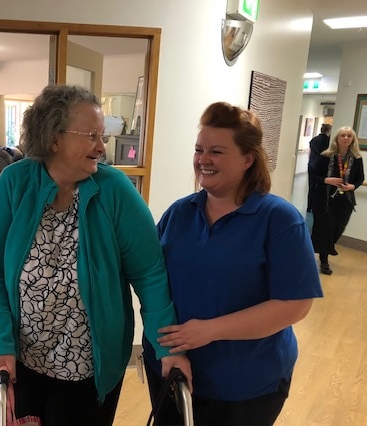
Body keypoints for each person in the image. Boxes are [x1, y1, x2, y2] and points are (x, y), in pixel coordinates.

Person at [0, 84, 191, 426]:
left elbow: (150, 275)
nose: (102, 148)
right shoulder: (15, 185)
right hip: (23, 363)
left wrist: (168, 348)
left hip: (90, 369)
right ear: (55, 137)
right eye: (91, 135)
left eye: (101, 136)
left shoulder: (115, 192)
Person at [142, 102, 323, 426]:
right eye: (199, 149)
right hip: (172, 370)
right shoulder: (179, 213)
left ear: (248, 159)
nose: (203, 160)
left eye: (217, 151)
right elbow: (151, 277)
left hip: (244, 388)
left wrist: (209, 331)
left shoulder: (279, 220)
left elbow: (295, 305)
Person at [309, 126, 364, 275]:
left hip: (345, 200)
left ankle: (325, 249)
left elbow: (360, 178)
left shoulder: (357, 159)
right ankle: (324, 260)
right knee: (325, 228)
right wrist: (327, 180)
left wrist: (353, 186)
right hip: (325, 199)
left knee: (338, 228)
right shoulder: (326, 156)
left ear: (352, 139)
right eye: (343, 135)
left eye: (349, 136)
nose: (346, 138)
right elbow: (314, 174)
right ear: (337, 138)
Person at [307, 123, 332, 212]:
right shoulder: (328, 141)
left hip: (311, 165)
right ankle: (315, 207)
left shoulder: (314, 140)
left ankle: (309, 206)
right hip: (321, 166)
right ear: (328, 131)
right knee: (319, 188)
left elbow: (310, 153)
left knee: (311, 186)